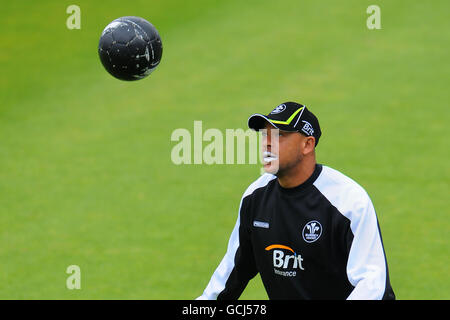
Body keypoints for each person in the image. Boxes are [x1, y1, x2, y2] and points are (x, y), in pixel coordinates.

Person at [197, 101, 395, 300]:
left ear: (307, 144)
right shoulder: (256, 197)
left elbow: (372, 285)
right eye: (265, 134)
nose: (267, 142)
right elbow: (232, 271)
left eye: (279, 135)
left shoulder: (348, 202)